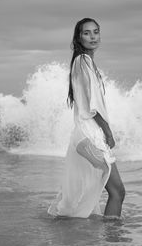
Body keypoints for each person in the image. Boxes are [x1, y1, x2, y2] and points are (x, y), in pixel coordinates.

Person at [48, 18, 125, 219]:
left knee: (84, 195)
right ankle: (113, 244)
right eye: (86, 33)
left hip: (84, 134)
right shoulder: (84, 61)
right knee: (117, 192)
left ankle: (71, 232)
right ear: (78, 37)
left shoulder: (82, 62)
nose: (92, 37)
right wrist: (108, 133)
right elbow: (93, 106)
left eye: (96, 32)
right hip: (91, 134)